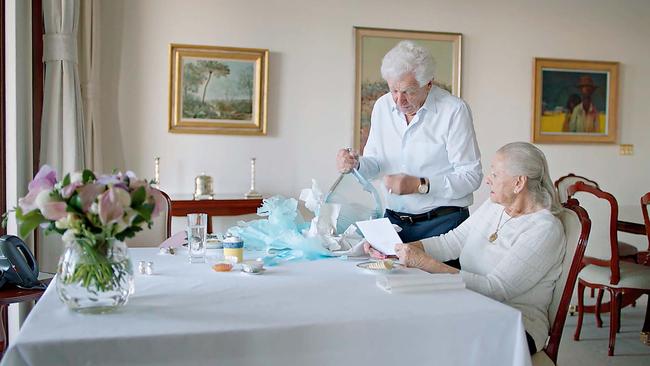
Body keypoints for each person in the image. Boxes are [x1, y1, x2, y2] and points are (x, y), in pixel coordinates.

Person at [365, 142, 565, 355]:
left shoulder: (544, 229)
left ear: (519, 183)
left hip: (514, 324)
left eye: (495, 175)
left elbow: (495, 289)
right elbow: (451, 241)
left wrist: (425, 263)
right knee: (400, 316)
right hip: (470, 305)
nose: (488, 179)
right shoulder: (495, 206)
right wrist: (395, 249)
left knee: (421, 336)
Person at [336, 40, 482, 251]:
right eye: (393, 90)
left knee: (438, 285)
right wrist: (355, 165)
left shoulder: (454, 111)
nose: (398, 100)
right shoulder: (382, 106)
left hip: (442, 225)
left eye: (408, 91)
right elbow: (376, 164)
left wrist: (420, 185)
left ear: (429, 84)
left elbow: (471, 176)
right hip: (393, 224)